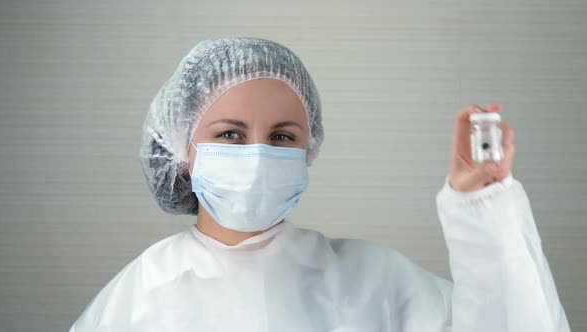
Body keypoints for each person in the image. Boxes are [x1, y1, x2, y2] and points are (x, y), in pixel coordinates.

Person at [69, 37, 570, 331]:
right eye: (230, 135)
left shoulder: (373, 282)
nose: (259, 154)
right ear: (180, 149)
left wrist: (481, 204)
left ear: (309, 150)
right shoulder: (141, 296)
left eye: (283, 136)